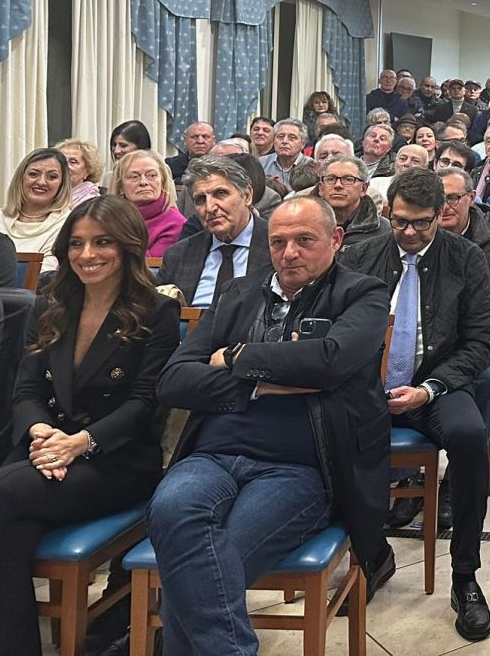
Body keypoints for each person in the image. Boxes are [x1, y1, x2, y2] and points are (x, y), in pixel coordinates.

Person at [149, 196, 398, 650]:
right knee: (170, 511)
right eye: (278, 242)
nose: (289, 253)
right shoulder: (238, 294)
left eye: (304, 240)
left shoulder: (362, 293)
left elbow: (330, 360)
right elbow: (174, 380)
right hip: (213, 455)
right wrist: (261, 386)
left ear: (336, 239)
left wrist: (236, 357)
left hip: (299, 465)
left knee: (204, 563)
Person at [0, 197, 180, 655]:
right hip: (44, 450)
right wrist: (41, 433)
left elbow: (143, 405)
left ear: (128, 246)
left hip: (116, 460)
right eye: (76, 243)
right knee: (8, 540)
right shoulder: (50, 304)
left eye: (102, 242)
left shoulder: (157, 312)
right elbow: (25, 390)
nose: (87, 254)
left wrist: (80, 443)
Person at [339, 169, 490, 638]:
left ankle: (465, 576)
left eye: (421, 223)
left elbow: (478, 344)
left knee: (470, 436)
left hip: (434, 384)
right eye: (401, 221)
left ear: (440, 214)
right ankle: (372, 556)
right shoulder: (361, 256)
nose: (409, 232)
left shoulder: (465, 258)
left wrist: (429, 389)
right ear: (388, 212)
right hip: (368, 387)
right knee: (325, 430)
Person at [439, 167, 490, 439]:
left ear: (471, 198)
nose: (444, 206)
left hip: (487, 328)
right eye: (438, 199)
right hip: (431, 329)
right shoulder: (421, 232)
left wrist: (471, 327)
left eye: (453, 198)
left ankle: (475, 453)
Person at [158, 156, 272, 307]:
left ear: (247, 196)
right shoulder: (178, 255)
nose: (210, 207)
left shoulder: (278, 245)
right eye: (200, 199)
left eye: (220, 194)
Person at [0, 147, 73, 270]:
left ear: (62, 184)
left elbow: (47, 275)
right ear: (20, 178)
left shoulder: (68, 224)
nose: (41, 182)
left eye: (52, 177)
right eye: (33, 174)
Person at [111, 149, 189, 259]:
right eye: (134, 177)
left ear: (162, 181)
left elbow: (148, 265)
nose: (143, 182)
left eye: (151, 175)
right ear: (120, 186)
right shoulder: (109, 219)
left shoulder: (176, 223)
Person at [319, 155, 392, 249]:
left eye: (348, 179)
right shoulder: (305, 223)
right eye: (330, 179)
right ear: (321, 189)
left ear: (363, 188)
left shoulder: (383, 232)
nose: (338, 185)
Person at [54, 138, 105, 207]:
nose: (64, 166)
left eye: (73, 162)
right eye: (60, 160)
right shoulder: (52, 194)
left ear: (88, 170)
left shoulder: (90, 202)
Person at [260, 118, 310, 182]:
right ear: (273, 140)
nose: (284, 141)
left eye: (292, 138)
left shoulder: (312, 166)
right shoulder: (261, 164)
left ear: (303, 144)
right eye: (280, 136)